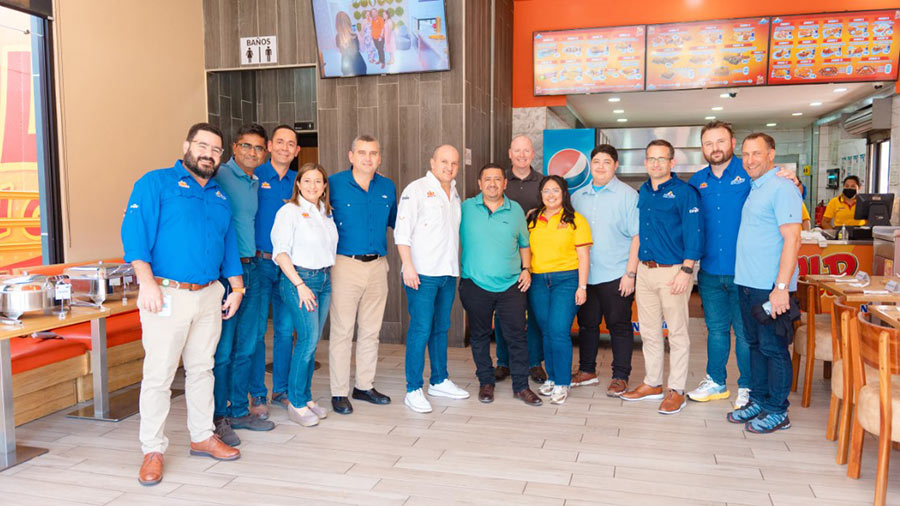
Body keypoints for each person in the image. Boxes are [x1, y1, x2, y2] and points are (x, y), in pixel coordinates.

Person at [122, 123, 242, 486]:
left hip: (210, 295)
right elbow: (134, 233)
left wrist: (235, 288)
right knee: (159, 375)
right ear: (187, 146)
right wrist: (147, 283)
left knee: (202, 368)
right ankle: (152, 450)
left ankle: (202, 435)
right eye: (203, 145)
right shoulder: (155, 183)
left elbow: (229, 244)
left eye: (216, 149)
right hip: (166, 293)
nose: (209, 153)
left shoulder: (220, 195)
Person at [621, 139, 702, 415]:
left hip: (673, 271)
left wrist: (687, 270)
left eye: (661, 159)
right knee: (649, 332)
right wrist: (632, 272)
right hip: (645, 271)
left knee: (677, 333)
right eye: (651, 159)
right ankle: (653, 383)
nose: (656, 163)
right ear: (645, 163)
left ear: (672, 162)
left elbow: (694, 233)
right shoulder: (643, 191)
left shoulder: (684, 192)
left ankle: (676, 389)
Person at [727, 133, 801, 433]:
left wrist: (781, 288)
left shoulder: (782, 187)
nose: (750, 160)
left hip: (771, 287)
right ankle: (758, 399)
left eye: (756, 153)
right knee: (755, 346)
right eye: (745, 154)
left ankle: (778, 410)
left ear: (772, 154)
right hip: (747, 283)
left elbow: (793, 239)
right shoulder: (756, 187)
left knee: (774, 348)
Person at [394, 144, 470, 413]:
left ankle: (438, 379)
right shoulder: (415, 190)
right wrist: (408, 266)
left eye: (454, 163)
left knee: (441, 328)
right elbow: (401, 233)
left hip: (447, 273)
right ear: (432, 162)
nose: (449, 167)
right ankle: (413, 388)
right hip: (422, 274)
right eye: (444, 161)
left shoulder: (455, 193)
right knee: (421, 329)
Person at [211, 123, 273, 448]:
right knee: (223, 351)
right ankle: (218, 416)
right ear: (234, 148)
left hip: (253, 269)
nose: (252, 152)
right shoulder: (219, 175)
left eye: (258, 148)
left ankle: (237, 410)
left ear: (265, 153)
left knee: (247, 346)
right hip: (226, 276)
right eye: (246, 146)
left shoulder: (253, 182)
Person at [459, 163, 542, 406]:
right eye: (488, 179)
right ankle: (486, 381)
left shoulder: (515, 209)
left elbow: (524, 244)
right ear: (479, 183)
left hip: (511, 286)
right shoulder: (465, 208)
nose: (493, 183)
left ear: (505, 184)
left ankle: (521, 386)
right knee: (480, 336)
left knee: (516, 337)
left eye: (498, 179)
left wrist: (526, 269)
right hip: (475, 284)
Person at [327, 135, 397, 415]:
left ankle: (364, 386)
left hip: (378, 266)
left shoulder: (388, 186)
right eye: (362, 153)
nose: (368, 158)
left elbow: (398, 225)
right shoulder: (333, 184)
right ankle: (338, 391)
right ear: (351, 155)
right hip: (345, 265)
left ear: (379, 158)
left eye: (373, 153)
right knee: (343, 331)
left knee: (371, 331)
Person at [685, 121, 751, 409]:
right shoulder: (696, 181)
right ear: (702, 148)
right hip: (710, 271)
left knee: (746, 334)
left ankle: (747, 387)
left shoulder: (750, 173)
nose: (715, 148)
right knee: (717, 330)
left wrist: (793, 180)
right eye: (709, 143)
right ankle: (716, 381)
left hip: (746, 271)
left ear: (733, 143)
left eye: (720, 141)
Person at [271, 163, 338, 427]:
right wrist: (299, 284)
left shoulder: (324, 212)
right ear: (298, 183)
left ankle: (306, 397)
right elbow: (280, 252)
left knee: (313, 342)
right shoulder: (289, 211)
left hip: (324, 279)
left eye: (318, 181)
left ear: (324, 186)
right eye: (307, 181)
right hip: (300, 280)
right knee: (307, 341)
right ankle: (296, 403)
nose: (313, 186)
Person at [571, 144, 639, 397]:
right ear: (590, 164)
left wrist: (630, 274)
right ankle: (587, 370)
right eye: (596, 161)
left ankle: (620, 376)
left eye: (606, 162)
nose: (600, 166)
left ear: (615, 166)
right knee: (587, 325)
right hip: (586, 275)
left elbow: (637, 236)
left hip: (616, 274)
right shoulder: (578, 196)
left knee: (619, 326)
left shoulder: (628, 195)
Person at [247, 125, 299, 416]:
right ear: (269, 146)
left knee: (284, 331)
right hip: (259, 263)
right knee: (256, 333)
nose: (284, 147)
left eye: (290, 143)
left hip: (288, 266)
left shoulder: (299, 181)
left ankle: (282, 390)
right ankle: (257, 394)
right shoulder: (255, 176)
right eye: (279, 142)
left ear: (296, 150)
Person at [527, 175, 591, 405]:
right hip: (538, 281)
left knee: (558, 330)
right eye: (546, 191)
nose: (551, 195)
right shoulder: (533, 218)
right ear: (541, 194)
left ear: (564, 193)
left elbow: (584, 256)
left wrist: (582, 286)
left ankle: (563, 382)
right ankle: (552, 378)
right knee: (546, 331)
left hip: (567, 280)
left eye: (555, 190)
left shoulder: (576, 220)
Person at [494, 135, 546, 384]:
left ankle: (535, 363)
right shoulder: (500, 181)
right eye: (517, 151)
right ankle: (503, 362)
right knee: (506, 314)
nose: (522, 155)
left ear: (532, 154)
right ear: (510, 153)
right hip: (506, 260)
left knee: (535, 314)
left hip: (539, 260)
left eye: (526, 151)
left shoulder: (544, 183)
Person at [335, 11, 366, 76]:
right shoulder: (356, 34)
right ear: (349, 22)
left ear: (337, 24)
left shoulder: (337, 37)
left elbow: (339, 51)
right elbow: (363, 50)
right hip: (359, 65)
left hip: (346, 66)